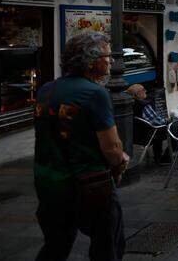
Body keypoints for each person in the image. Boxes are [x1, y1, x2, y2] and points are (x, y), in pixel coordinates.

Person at [34, 32, 129, 260]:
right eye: (107, 55)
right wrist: (120, 162)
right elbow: (111, 147)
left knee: (56, 245)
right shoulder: (95, 93)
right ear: (91, 60)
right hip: (89, 184)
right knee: (107, 245)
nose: (111, 61)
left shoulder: (46, 89)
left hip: (48, 182)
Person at [127, 84, 170, 164]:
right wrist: (168, 120)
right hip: (149, 134)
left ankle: (158, 157)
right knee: (174, 130)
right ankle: (166, 158)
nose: (145, 91)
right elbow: (157, 121)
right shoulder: (143, 105)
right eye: (143, 90)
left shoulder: (130, 106)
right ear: (137, 94)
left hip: (137, 135)